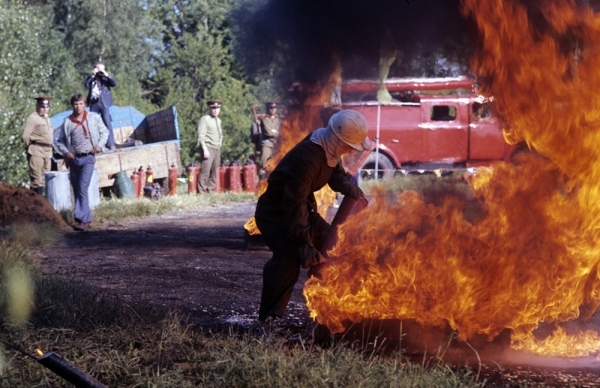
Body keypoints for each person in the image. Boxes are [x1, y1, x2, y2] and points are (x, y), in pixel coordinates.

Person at [255, 109, 371, 326]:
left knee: (332, 243)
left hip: (301, 209)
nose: (349, 151)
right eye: (348, 146)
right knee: (289, 257)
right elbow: (293, 205)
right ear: (337, 138)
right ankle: (268, 319)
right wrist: (304, 245)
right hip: (276, 213)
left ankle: (331, 310)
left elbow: (334, 174)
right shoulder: (307, 158)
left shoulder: (327, 144)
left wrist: (347, 186)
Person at [55, 93, 108, 231]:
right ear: (72, 105)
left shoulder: (94, 118)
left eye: (81, 104)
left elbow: (105, 132)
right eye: (76, 104)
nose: (78, 107)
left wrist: (99, 145)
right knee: (76, 188)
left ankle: (81, 220)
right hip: (74, 159)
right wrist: (66, 152)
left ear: (85, 105)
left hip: (89, 157)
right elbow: (59, 141)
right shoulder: (68, 121)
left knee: (82, 187)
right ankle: (88, 217)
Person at [22, 96, 54, 195]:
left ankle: (43, 203)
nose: (45, 108)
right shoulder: (33, 118)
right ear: (37, 106)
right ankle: (35, 203)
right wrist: (30, 148)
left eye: (47, 106)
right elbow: (25, 136)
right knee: (36, 180)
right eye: (42, 106)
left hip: (48, 152)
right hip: (37, 151)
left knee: (45, 179)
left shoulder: (47, 118)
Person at [84, 62, 117, 149]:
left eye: (102, 69)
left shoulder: (105, 78)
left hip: (104, 102)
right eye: (98, 69)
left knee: (107, 122)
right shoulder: (91, 78)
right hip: (94, 103)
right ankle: (96, 145)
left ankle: (110, 144)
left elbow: (114, 83)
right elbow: (86, 85)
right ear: (94, 69)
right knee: (93, 124)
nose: (100, 71)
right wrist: (92, 76)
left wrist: (107, 75)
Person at [197, 99, 223, 194]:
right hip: (208, 147)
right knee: (205, 171)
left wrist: (219, 144)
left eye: (217, 108)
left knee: (214, 172)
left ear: (219, 109)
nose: (215, 110)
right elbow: (201, 136)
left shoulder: (218, 120)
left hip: (216, 148)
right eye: (213, 108)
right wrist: (204, 149)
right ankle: (202, 192)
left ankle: (211, 191)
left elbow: (220, 135)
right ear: (210, 108)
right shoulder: (205, 119)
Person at [259, 102, 282, 172]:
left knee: (279, 162)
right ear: (267, 108)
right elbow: (268, 132)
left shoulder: (277, 120)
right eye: (271, 107)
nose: (273, 109)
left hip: (276, 144)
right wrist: (275, 132)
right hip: (267, 144)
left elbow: (281, 132)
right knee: (264, 163)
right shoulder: (264, 120)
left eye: (274, 107)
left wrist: (274, 131)